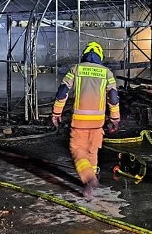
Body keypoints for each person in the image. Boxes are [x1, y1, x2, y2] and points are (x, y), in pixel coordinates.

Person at [51, 41, 120, 200]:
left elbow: (63, 92)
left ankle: (89, 179)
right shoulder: (107, 73)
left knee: (78, 151)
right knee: (92, 151)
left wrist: (56, 112)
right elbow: (113, 97)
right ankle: (94, 174)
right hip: (98, 123)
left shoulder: (76, 69)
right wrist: (115, 118)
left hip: (80, 122)